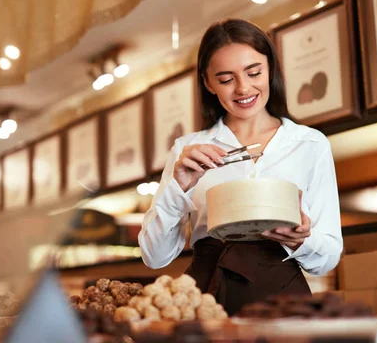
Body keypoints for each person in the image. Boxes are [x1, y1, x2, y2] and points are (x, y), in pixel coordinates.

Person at [138, 19, 342, 315]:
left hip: (282, 299)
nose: (243, 88)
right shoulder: (187, 150)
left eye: (254, 72)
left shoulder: (310, 144)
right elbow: (154, 257)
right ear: (208, 83)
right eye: (225, 79)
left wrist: (302, 240)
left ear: (270, 69)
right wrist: (178, 187)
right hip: (205, 298)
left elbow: (328, 259)